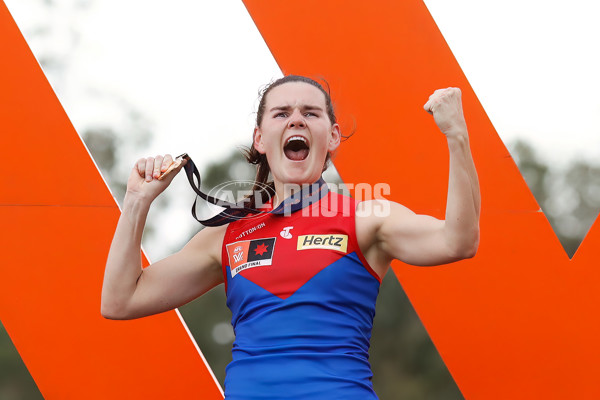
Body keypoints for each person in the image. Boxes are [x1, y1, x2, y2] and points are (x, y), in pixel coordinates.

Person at [101, 75, 480, 399]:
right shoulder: (228, 234)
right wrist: (136, 202)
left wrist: (457, 136)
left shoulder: (365, 217)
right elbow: (120, 301)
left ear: (332, 137)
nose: (296, 120)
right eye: (281, 114)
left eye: (310, 113)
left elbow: (457, 241)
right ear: (261, 138)